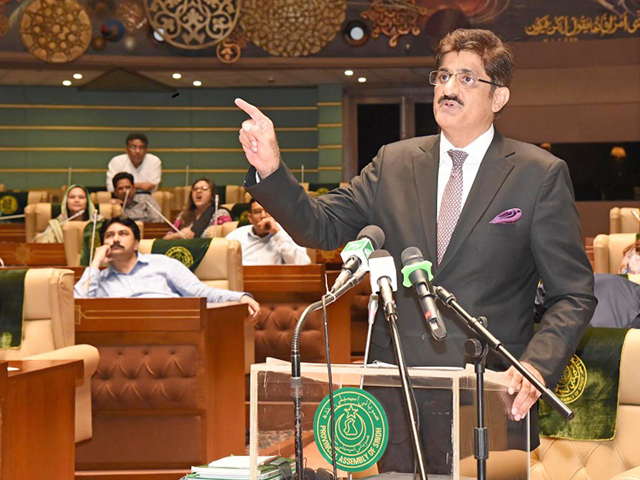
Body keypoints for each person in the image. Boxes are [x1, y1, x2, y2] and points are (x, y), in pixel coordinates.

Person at [235, 28, 596, 462]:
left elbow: (572, 293)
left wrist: (536, 366)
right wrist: (272, 170)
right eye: (442, 76)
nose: (448, 88)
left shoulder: (538, 174)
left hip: (487, 395)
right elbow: (322, 226)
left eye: (466, 78)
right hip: (396, 394)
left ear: (498, 97)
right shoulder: (395, 162)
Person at [73, 217, 260, 320]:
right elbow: (77, 306)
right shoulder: (99, 278)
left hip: (173, 330)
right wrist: (95, 263)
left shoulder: (163, 264)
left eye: (123, 234)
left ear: (137, 243)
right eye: (109, 235)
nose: (115, 239)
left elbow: (200, 293)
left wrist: (240, 297)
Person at [225, 198, 311, 265]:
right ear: (250, 218)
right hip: (242, 284)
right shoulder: (235, 237)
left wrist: (277, 233)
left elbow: (303, 264)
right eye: (258, 212)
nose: (263, 216)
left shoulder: (289, 233)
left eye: (268, 211)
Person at [164, 178, 232, 239]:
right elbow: (166, 238)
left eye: (204, 188)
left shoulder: (221, 214)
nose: (198, 191)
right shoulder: (183, 215)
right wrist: (177, 235)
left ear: (212, 195)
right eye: (195, 189)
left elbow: (223, 239)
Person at [36, 184, 102, 243]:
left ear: (87, 202)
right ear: (66, 202)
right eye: (72, 197)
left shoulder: (98, 224)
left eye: (81, 197)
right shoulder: (56, 226)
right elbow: (44, 247)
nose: (76, 200)